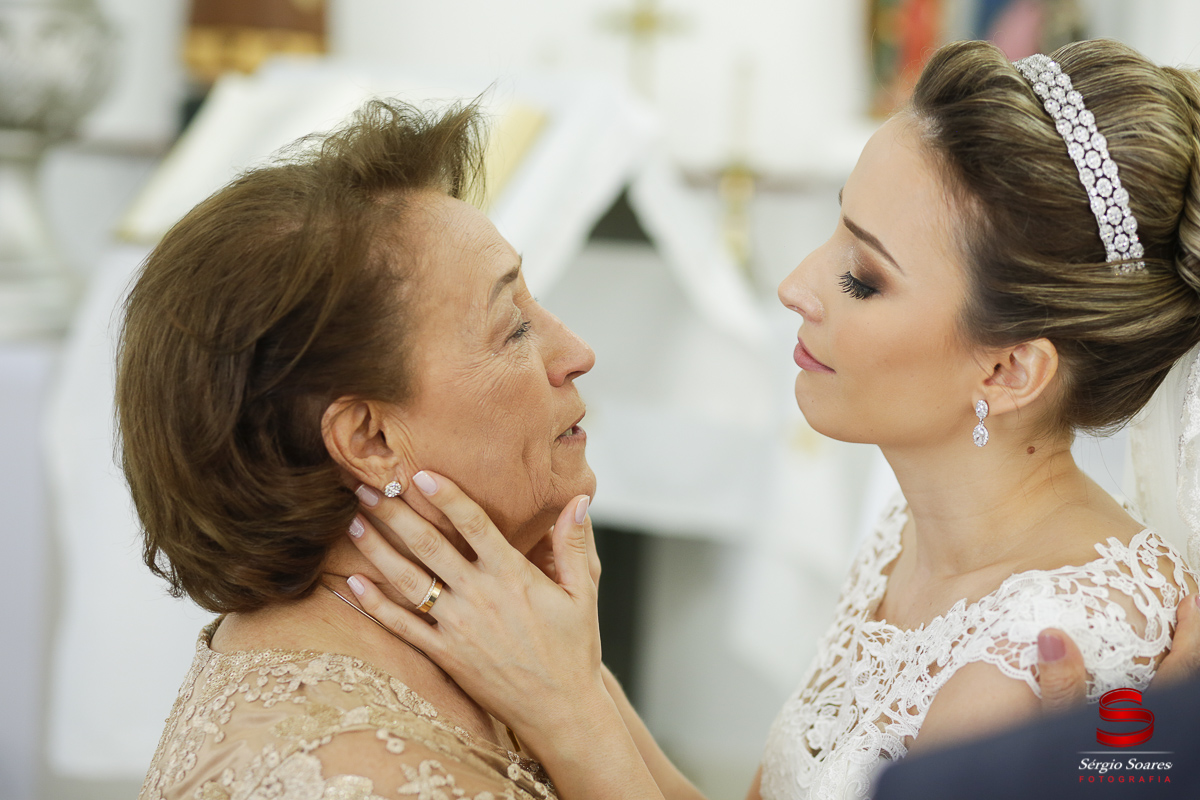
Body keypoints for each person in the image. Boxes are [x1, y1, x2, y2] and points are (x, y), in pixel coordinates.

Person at [335, 38, 1200, 800]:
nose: (796, 286)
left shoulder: (1036, 650)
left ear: (1009, 370)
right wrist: (575, 665)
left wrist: (561, 710)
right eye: (836, 231)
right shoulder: (912, 537)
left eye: (863, 277)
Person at [121, 99, 601, 799]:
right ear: (371, 441)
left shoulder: (508, 640)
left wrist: (580, 696)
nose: (578, 353)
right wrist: (578, 715)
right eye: (515, 328)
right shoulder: (373, 777)